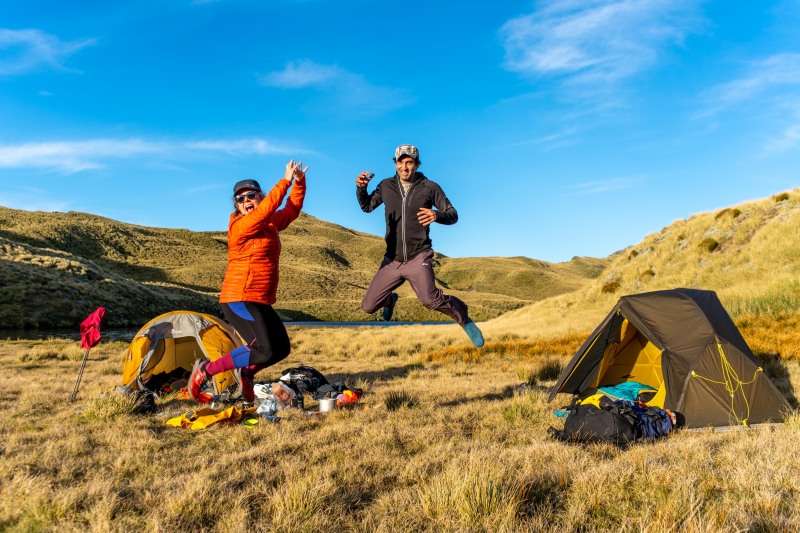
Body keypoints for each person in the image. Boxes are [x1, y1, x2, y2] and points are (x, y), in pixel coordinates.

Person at [188, 160, 307, 402]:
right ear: (237, 207)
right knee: (262, 348)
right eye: (240, 199)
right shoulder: (241, 226)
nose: (246, 201)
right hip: (239, 298)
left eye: (251, 196)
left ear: (260, 196)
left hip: (260, 299)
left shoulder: (270, 224)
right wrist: (284, 181)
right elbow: (264, 211)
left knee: (281, 348)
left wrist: (299, 182)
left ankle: (247, 373)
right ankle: (206, 371)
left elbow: (292, 209)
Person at [355, 144, 484, 347]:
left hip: (418, 256)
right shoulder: (386, 186)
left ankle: (464, 319)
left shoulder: (430, 187)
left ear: (416, 164)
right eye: (401, 162)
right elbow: (367, 206)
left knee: (430, 300)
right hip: (392, 259)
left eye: (409, 163)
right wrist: (361, 188)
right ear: (395, 163)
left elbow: (453, 215)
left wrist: (436, 215)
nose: (404, 167)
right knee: (368, 306)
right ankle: (389, 300)